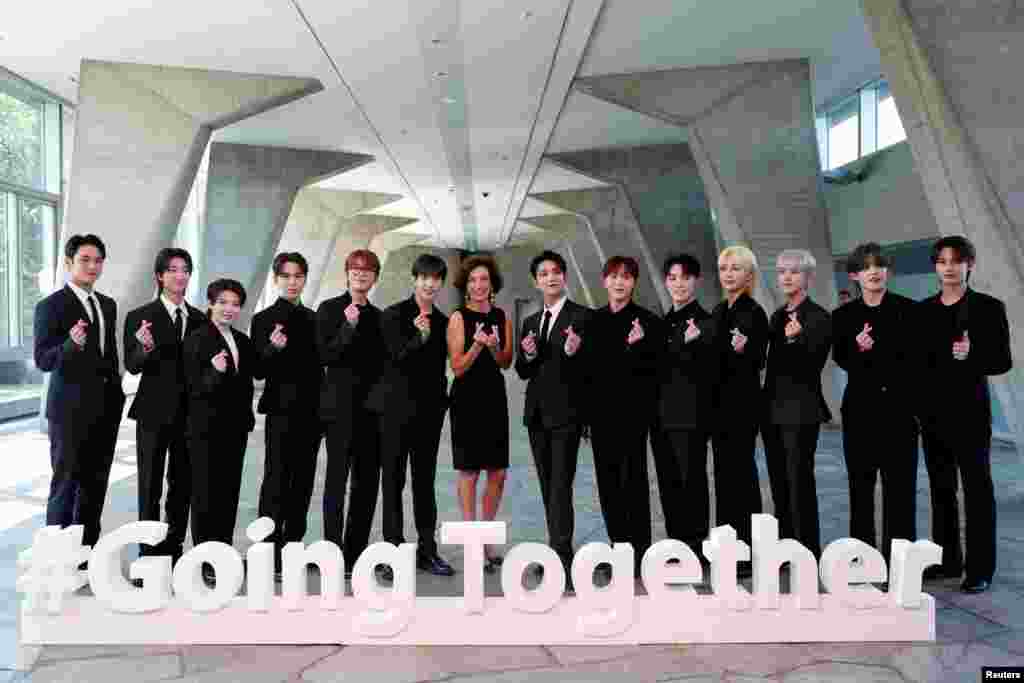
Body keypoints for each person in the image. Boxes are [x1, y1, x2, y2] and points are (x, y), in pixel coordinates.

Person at [917, 236, 1012, 594]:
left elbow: (1002, 361)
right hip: (933, 415)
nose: (949, 267)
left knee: (977, 490)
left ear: (969, 264)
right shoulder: (923, 311)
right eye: (942, 261)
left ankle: (980, 568)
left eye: (956, 260)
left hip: (971, 413)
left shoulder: (989, 308)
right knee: (941, 490)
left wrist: (973, 355)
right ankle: (946, 560)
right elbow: (917, 365)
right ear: (936, 267)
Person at [34, 234, 126, 557]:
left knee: (95, 485)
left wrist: (116, 396)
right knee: (66, 484)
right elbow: (43, 360)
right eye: (85, 260)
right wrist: (70, 346)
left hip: (105, 409)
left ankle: (86, 554)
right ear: (69, 262)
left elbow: (110, 355)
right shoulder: (51, 306)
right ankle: (56, 556)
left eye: (98, 260)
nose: (92, 266)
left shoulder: (107, 305)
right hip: (70, 411)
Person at [366, 254, 455, 580]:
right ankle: (393, 551)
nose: (429, 283)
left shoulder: (445, 322)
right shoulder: (393, 315)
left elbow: (440, 371)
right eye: (424, 277)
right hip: (394, 413)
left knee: (424, 483)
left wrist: (442, 403)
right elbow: (393, 359)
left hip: (428, 415)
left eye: (435, 279)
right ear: (414, 279)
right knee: (392, 482)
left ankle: (427, 549)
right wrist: (417, 338)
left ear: (441, 283)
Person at [832, 242, 919, 566]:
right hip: (860, 413)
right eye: (866, 267)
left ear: (888, 272)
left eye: (879, 265)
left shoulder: (909, 310)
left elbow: (916, 359)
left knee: (901, 490)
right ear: (855, 275)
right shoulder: (843, 316)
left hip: (899, 412)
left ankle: (902, 562)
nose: (873, 272)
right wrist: (858, 349)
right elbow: (842, 358)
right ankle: (862, 559)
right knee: (861, 488)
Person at [123, 248, 205, 572]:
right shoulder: (140, 316)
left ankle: (173, 550)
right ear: (159, 276)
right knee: (150, 487)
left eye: (185, 269)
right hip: (153, 413)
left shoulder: (199, 319)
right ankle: (148, 557)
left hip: (189, 416)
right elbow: (131, 364)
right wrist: (144, 347)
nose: (179, 275)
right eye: (172, 269)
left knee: (182, 486)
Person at [514, 250, 592, 587]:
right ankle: (557, 549)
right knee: (548, 486)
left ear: (565, 277)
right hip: (537, 416)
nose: (551, 277)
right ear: (536, 281)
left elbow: (593, 372)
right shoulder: (531, 322)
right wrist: (529, 354)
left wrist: (577, 355)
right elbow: (522, 370)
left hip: (568, 415)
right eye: (544, 273)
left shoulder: (583, 317)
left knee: (561, 485)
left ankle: (561, 555)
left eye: (557, 271)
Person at [250, 252, 323, 580]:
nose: (292, 282)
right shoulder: (263, 319)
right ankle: (268, 548)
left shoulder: (313, 318)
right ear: (276, 279)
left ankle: (292, 545)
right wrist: (272, 349)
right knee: (276, 479)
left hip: (311, 412)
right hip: (280, 410)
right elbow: (258, 370)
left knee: (303, 481)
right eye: (286, 276)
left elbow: (321, 367)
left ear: (304, 279)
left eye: (298, 276)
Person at [588, 255, 661, 577]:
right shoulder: (594, 321)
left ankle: (640, 552)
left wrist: (637, 348)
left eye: (627, 277)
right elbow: (588, 375)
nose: (620, 282)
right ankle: (618, 549)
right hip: (601, 419)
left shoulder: (648, 323)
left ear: (634, 282)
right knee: (608, 486)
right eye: (614, 276)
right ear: (604, 280)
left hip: (633, 419)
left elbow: (655, 375)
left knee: (633, 484)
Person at [316, 249, 386, 575]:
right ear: (347, 273)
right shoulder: (330, 309)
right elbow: (325, 355)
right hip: (339, 410)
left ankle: (355, 552)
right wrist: (347, 326)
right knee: (336, 480)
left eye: (368, 270)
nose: (361, 274)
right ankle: (332, 549)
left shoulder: (379, 317)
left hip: (371, 413)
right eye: (355, 269)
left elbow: (384, 366)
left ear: (375, 277)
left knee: (366, 483)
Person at [183, 279, 256, 584]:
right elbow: (193, 387)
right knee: (205, 495)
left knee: (228, 493)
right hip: (205, 429)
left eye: (235, 303)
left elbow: (248, 381)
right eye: (223, 302)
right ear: (210, 303)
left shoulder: (242, 339)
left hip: (235, 428)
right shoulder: (197, 338)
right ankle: (205, 559)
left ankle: (223, 553)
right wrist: (214, 372)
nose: (229, 309)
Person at [761, 249, 832, 558]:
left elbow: (812, 366)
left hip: (801, 412)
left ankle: (807, 551)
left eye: (794, 271)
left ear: (808, 277)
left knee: (799, 481)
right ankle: (787, 549)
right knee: (779, 484)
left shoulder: (818, 317)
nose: (786, 277)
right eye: (781, 271)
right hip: (773, 412)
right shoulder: (777, 316)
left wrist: (796, 340)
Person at [447, 253, 514, 573]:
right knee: (470, 473)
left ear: (492, 284)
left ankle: (487, 541)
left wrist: (492, 347)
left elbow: (505, 362)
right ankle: (474, 544)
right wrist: (476, 345)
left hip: (494, 397)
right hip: (467, 399)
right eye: (472, 280)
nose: (478, 285)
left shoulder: (503, 316)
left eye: (484, 279)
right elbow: (457, 368)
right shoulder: (458, 318)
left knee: (498, 472)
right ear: (465, 285)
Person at [709, 245, 769, 576]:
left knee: (741, 479)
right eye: (723, 268)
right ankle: (727, 547)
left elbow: (755, 360)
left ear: (749, 275)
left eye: (735, 268)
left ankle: (746, 553)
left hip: (741, 408)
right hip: (718, 409)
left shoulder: (753, 313)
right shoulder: (719, 311)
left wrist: (740, 353)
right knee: (725, 479)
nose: (728, 274)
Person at [651, 253, 713, 557]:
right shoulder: (663, 322)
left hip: (690, 417)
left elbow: (706, 374)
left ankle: (697, 542)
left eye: (685, 278)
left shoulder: (705, 322)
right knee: (668, 482)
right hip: (660, 417)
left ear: (696, 281)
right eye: (672, 278)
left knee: (692, 481)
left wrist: (681, 348)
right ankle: (676, 541)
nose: (678, 284)